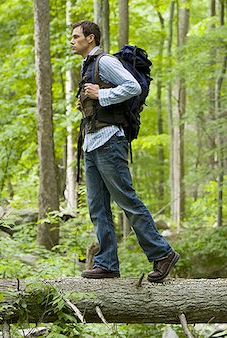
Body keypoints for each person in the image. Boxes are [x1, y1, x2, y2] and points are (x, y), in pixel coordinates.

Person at [70, 20, 179, 282]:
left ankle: (162, 253)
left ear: (91, 39)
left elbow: (133, 87)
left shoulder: (105, 61)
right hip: (92, 142)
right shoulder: (87, 66)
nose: (71, 41)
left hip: (109, 142)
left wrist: (100, 96)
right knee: (97, 207)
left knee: (127, 201)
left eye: (76, 37)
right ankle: (107, 263)